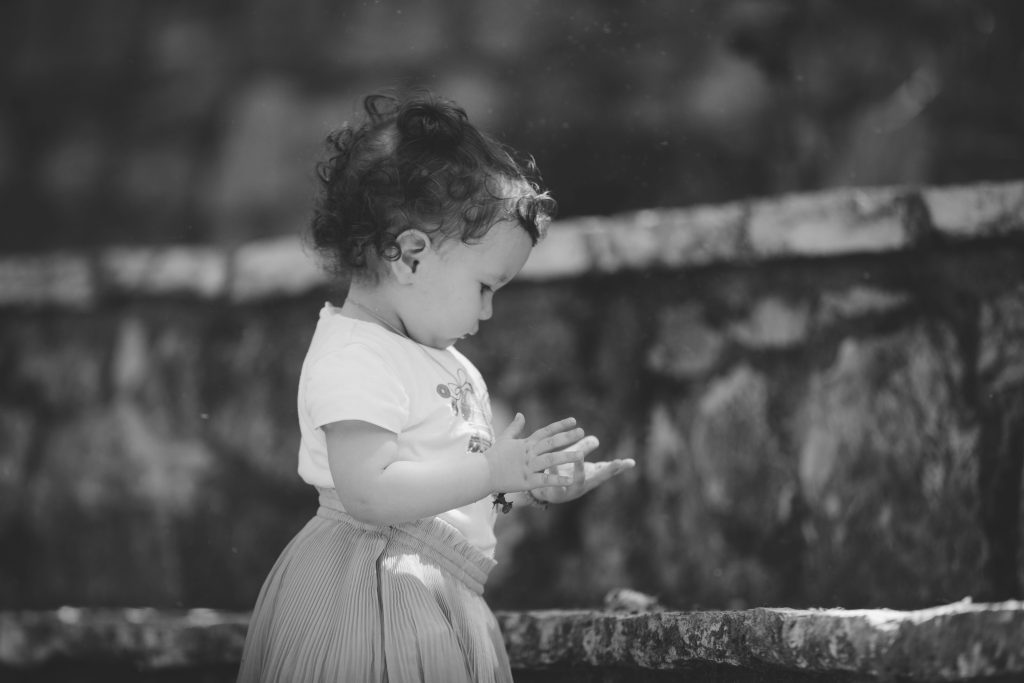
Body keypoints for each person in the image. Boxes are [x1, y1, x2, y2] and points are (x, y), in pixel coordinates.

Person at [237, 89, 636, 683]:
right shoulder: (356, 354)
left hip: (433, 589)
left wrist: (526, 486)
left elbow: (447, 484)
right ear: (411, 256)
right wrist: (495, 471)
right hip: (371, 595)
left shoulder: (440, 360)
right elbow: (370, 494)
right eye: (485, 287)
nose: (489, 311)